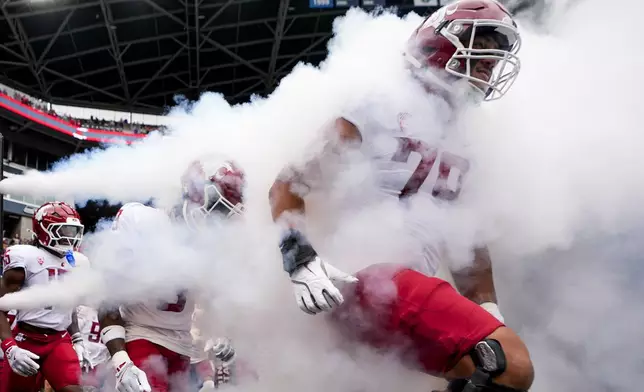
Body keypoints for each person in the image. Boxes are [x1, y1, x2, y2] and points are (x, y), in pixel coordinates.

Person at [268, 1, 533, 391]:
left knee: (475, 369)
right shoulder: (378, 102)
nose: (489, 61)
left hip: (402, 299)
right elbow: (289, 184)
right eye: (484, 43)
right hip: (371, 281)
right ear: (439, 42)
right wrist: (300, 261)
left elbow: (466, 243)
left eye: (496, 55)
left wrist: (490, 312)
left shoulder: (468, 136)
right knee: (512, 366)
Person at [99, 157, 246, 392]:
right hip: (142, 335)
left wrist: (220, 333)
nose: (221, 221)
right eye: (218, 209)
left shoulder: (211, 244)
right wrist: (121, 362)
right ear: (194, 196)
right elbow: (107, 298)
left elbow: (212, 299)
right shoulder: (141, 221)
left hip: (183, 344)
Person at [0, 201, 92, 392]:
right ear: (43, 230)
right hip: (27, 338)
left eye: (72, 231)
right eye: (63, 230)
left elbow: (68, 303)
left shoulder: (77, 262)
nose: (70, 237)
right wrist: (10, 347)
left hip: (59, 340)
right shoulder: (26, 258)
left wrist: (77, 339)